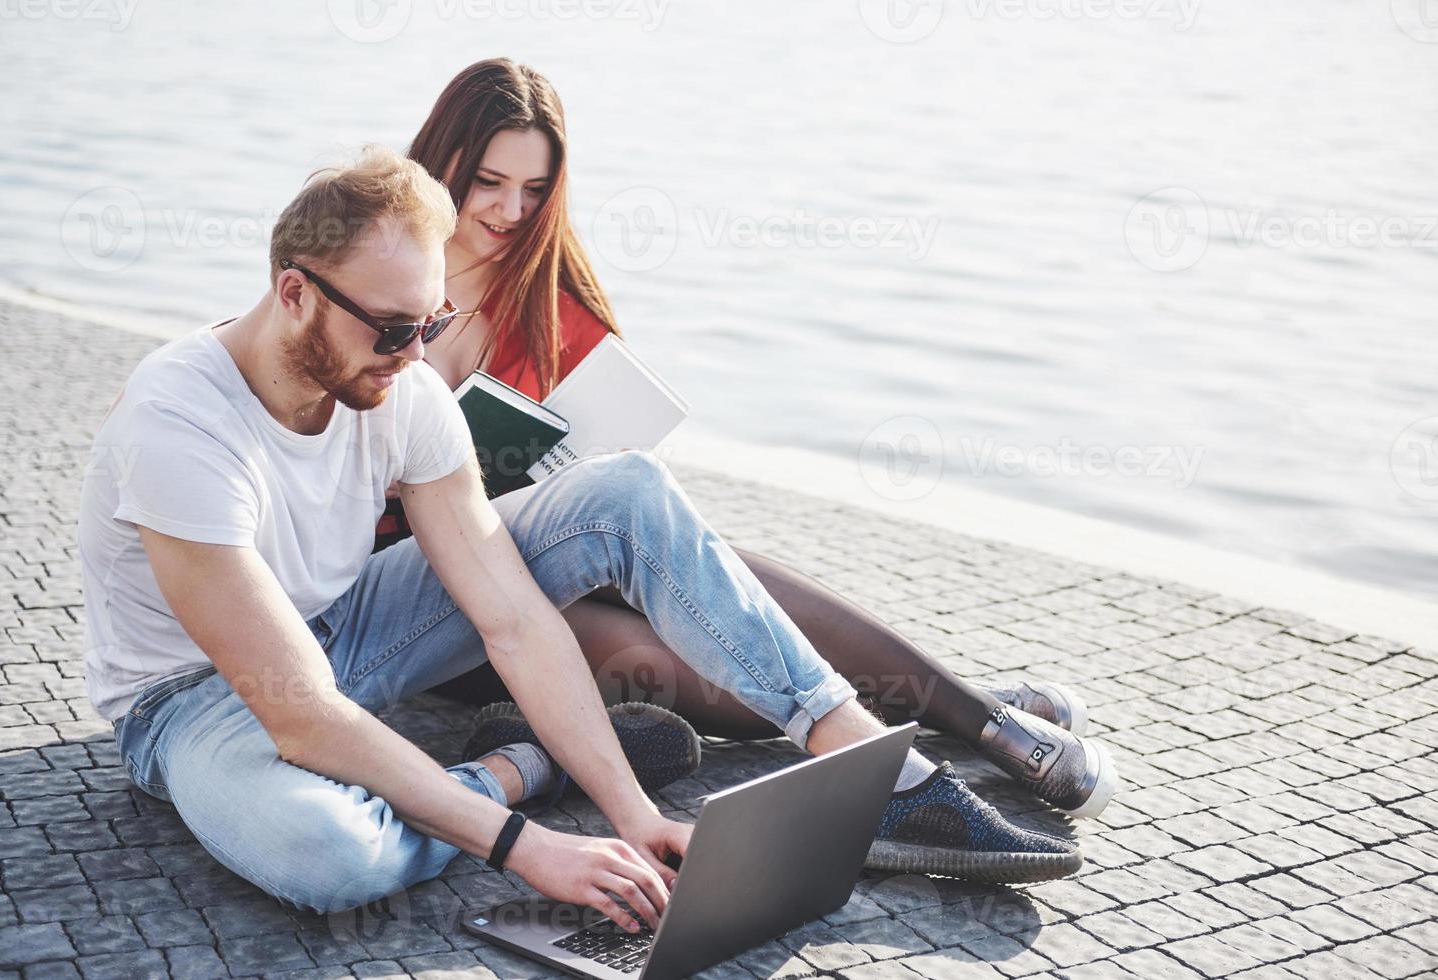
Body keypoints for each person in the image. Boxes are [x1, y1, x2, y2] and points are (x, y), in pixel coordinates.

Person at [78, 147, 1081, 933]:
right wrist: (524, 841)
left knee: (623, 490)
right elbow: (299, 716)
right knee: (329, 859)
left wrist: (632, 810)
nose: (413, 354)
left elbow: (509, 613)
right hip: (199, 704)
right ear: (294, 291)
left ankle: (869, 766)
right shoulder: (181, 423)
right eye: (390, 329)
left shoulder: (402, 387)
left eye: (429, 323)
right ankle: (517, 764)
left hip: (343, 629)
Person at [378, 58, 1118, 823]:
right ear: (442, 165)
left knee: (707, 573)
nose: (509, 210)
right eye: (489, 182)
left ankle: (983, 724)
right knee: (679, 667)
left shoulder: (544, 299)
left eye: (534, 191)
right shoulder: (373, 271)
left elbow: (597, 454)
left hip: (540, 549)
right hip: (422, 593)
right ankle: (928, 707)